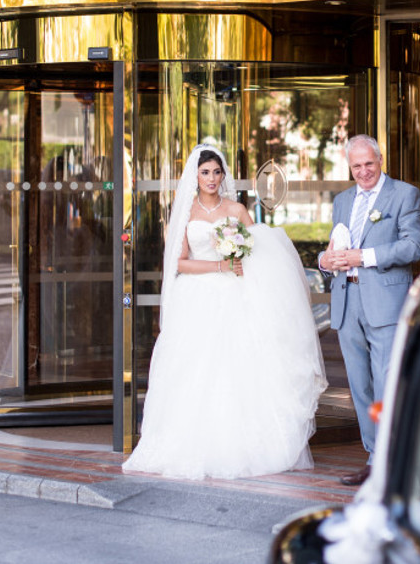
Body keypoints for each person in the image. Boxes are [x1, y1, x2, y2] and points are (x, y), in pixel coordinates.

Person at [123, 144, 327, 480]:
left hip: (236, 297)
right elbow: (180, 263)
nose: (212, 178)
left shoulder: (236, 209)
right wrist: (219, 263)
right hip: (198, 298)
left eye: (217, 172)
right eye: (205, 172)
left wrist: (240, 258)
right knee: (195, 369)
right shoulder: (185, 212)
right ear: (196, 176)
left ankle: (246, 444)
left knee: (239, 366)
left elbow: (262, 251)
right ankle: (191, 442)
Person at [320, 134, 420, 486]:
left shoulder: (404, 194)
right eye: (356, 166)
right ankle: (373, 454)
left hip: (385, 303)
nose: (363, 171)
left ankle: (386, 460)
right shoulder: (342, 200)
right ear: (349, 167)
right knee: (359, 386)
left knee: (385, 384)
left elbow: (414, 245)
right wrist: (324, 260)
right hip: (347, 302)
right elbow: (336, 248)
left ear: (381, 160)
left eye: (369, 163)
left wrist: (363, 257)